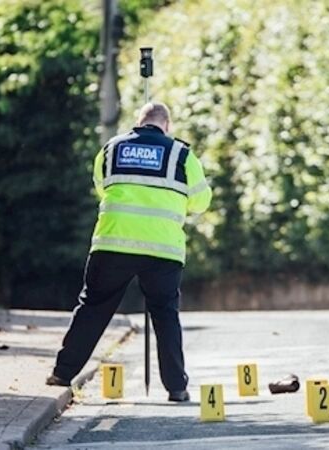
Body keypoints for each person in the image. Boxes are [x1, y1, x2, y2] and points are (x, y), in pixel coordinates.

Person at [47, 102, 211, 402]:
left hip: (113, 244)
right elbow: (201, 202)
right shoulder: (181, 154)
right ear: (167, 125)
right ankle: (176, 387)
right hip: (162, 250)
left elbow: (102, 187)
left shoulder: (111, 148)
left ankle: (62, 373)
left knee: (93, 307)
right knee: (166, 315)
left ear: (139, 120)